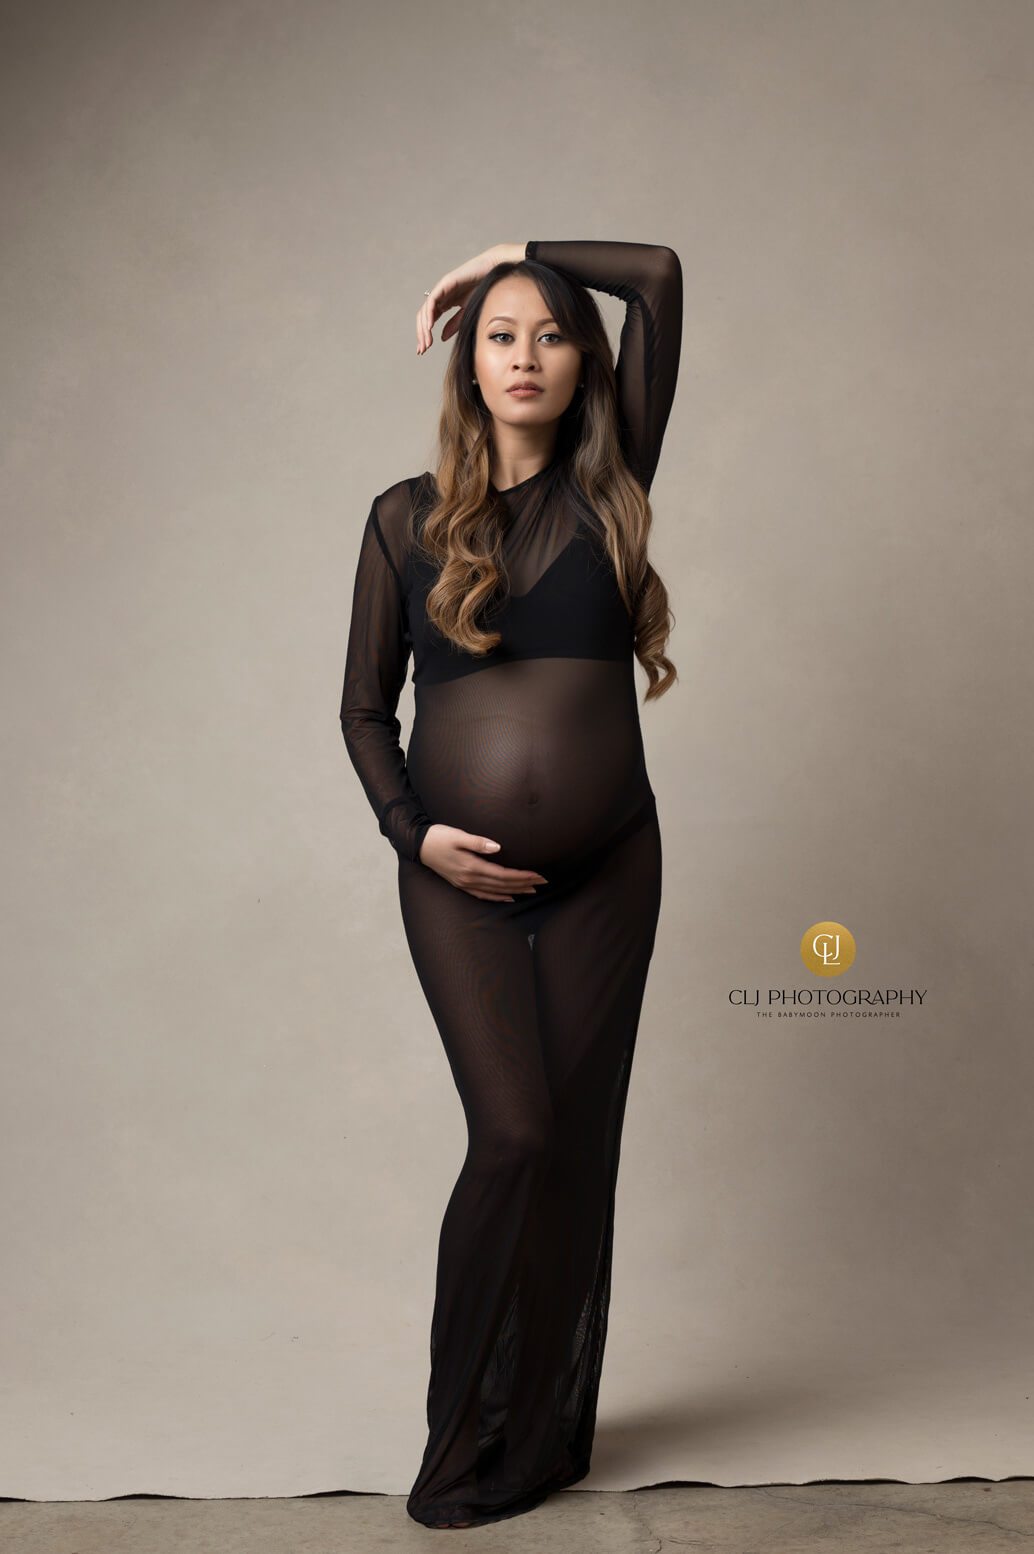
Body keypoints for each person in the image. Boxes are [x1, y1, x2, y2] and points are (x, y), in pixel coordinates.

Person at [339, 238, 683, 1530]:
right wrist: (410, 833)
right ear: (465, 363)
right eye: (498, 331)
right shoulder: (400, 516)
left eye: (545, 331)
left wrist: (514, 253)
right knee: (515, 1133)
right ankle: (460, 1434)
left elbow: (653, 275)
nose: (524, 354)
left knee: (576, 1150)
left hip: (612, 869)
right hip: (456, 878)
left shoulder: (611, 489)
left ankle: (540, 1433)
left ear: (578, 358)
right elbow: (362, 708)